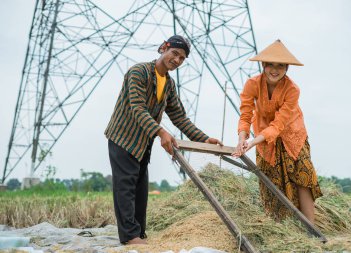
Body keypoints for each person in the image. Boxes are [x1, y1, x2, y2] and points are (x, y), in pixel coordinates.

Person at [104, 35, 222, 245]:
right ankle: (130, 236)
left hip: (142, 143)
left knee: (140, 191)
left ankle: (139, 235)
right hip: (123, 138)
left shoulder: (168, 84)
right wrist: (161, 132)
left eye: (182, 58)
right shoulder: (139, 72)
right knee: (125, 186)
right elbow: (137, 107)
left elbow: (179, 117)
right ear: (163, 49)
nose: (177, 60)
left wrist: (204, 139)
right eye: (174, 53)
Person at [234, 40, 322, 223]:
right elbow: (245, 114)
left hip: (292, 135)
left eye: (280, 65)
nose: (275, 70)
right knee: (271, 182)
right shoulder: (252, 84)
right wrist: (242, 138)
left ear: (287, 68)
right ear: (263, 65)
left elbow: (279, 124)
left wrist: (252, 143)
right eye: (270, 65)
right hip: (264, 138)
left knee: (302, 178)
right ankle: (279, 227)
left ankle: (312, 230)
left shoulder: (292, 89)